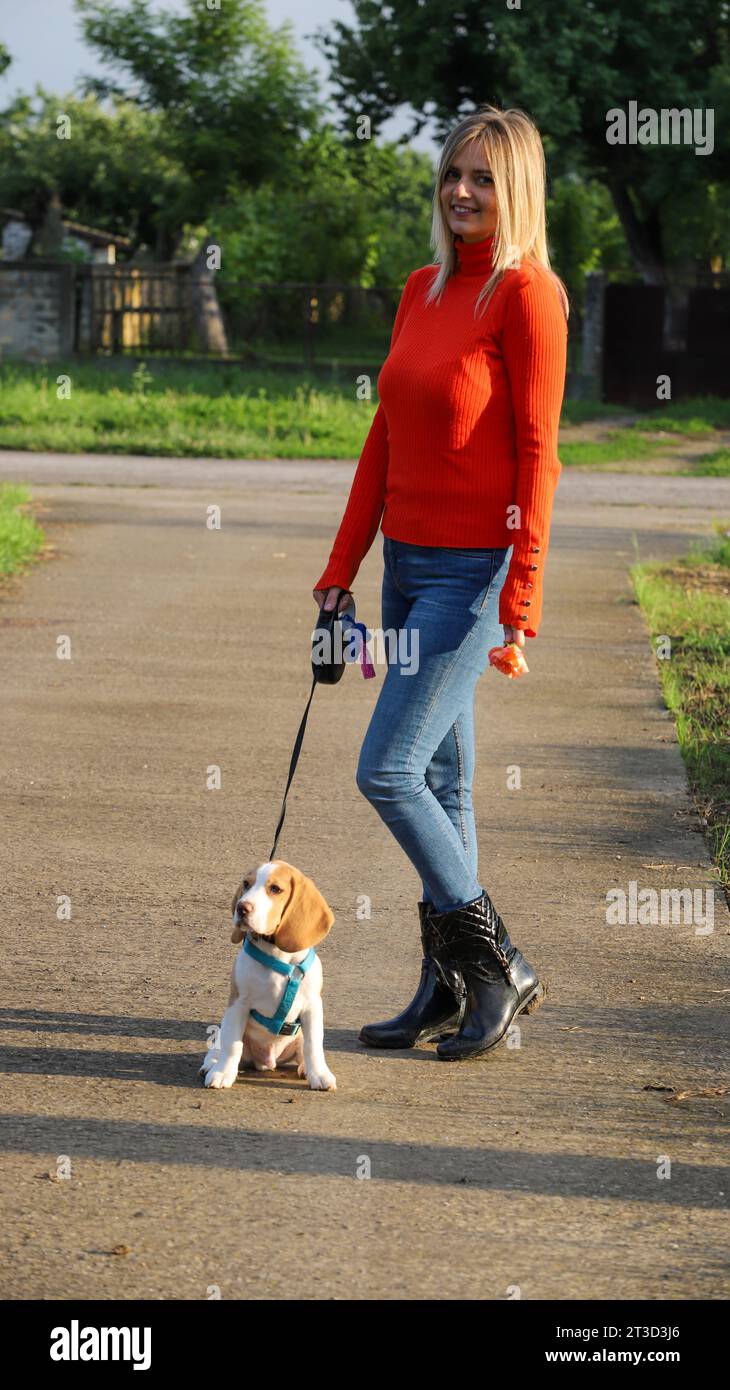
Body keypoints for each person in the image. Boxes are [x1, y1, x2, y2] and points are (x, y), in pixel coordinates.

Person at [312, 104, 569, 1061]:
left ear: (518, 191)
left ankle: (498, 964)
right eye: (454, 174)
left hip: (474, 572)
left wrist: (521, 603)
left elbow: (540, 455)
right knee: (446, 780)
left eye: (485, 178)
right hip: (407, 567)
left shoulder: (527, 295)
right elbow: (384, 438)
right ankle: (447, 985)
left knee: (386, 768)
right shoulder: (423, 289)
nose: (463, 191)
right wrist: (341, 570)